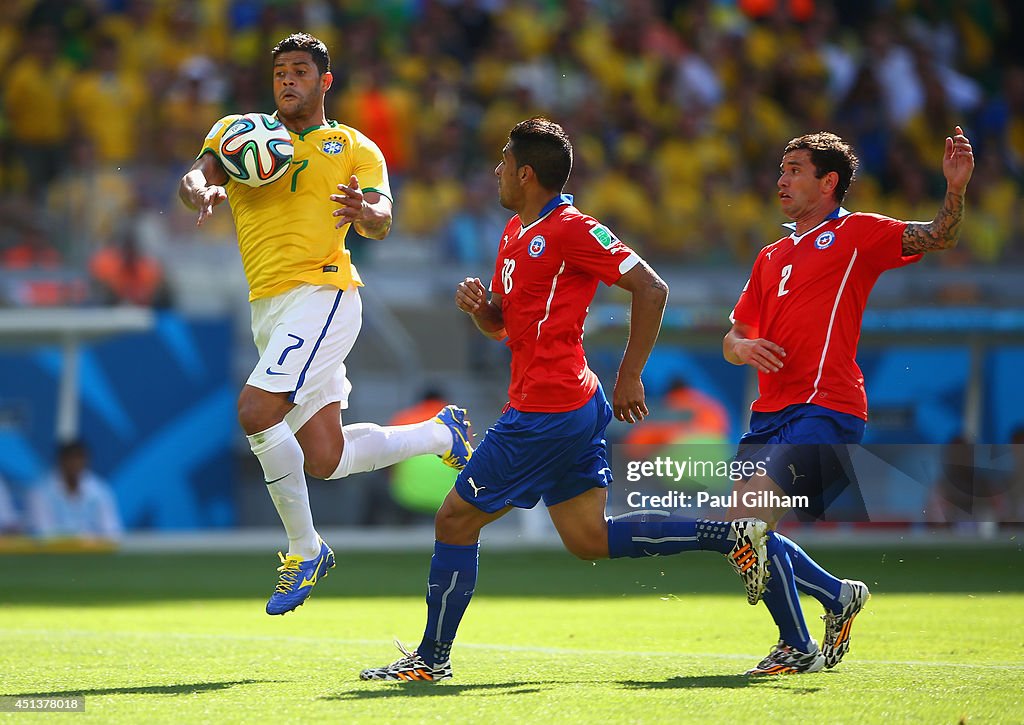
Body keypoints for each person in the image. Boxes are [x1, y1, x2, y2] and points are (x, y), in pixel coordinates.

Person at [359, 117, 768, 683]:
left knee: (455, 520)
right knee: (587, 538)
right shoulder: (513, 233)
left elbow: (652, 288)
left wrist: (630, 375)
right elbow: (507, 328)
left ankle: (431, 659)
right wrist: (484, 312)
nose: (496, 170)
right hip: (562, 402)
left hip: (545, 410)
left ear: (526, 174)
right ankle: (729, 536)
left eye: (503, 162)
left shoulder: (573, 229)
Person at [177, 33, 473, 616]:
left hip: (325, 292)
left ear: (324, 81)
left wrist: (368, 212)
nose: (288, 80)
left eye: (300, 71)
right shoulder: (239, 133)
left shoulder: (356, 147)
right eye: (280, 72)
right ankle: (444, 435)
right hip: (269, 307)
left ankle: (304, 548)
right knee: (326, 459)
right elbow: (195, 177)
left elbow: (383, 216)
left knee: (257, 412)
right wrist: (200, 190)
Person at [718, 127, 974, 674]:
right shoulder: (770, 255)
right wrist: (744, 348)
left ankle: (802, 639)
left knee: (751, 528)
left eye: (795, 170)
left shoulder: (857, 233)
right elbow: (733, 335)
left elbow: (939, 237)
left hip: (828, 406)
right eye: (781, 168)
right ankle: (830, 605)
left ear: (828, 182)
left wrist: (954, 190)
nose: (781, 178)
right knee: (742, 537)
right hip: (769, 412)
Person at [26, 440, 122, 542]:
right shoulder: (40, 492)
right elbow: (42, 533)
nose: (75, 464)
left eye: (79, 459)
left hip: (92, 554)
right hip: (52, 554)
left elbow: (112, 533)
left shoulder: (100, 491)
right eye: (70, 459)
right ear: (60, 461)